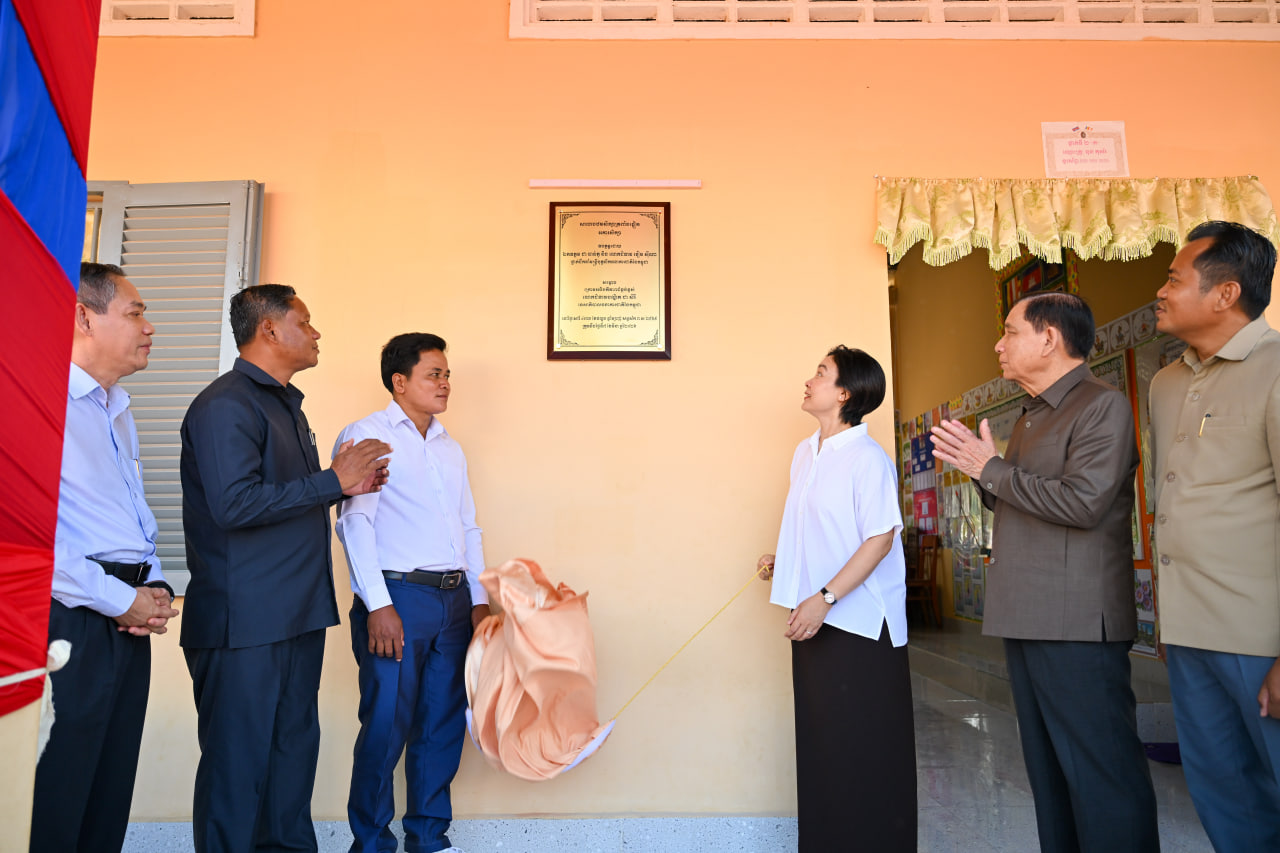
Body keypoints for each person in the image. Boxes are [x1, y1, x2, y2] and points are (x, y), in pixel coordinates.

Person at [930, 292, 1159, 853]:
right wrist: (984, 473)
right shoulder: (1034, 414)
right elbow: (1022, 500)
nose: (998, 345)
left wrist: (991, 468)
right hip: (1028, 612)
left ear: (1050, 338)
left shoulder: (1101, 405)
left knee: (1100, 773)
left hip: (1075, 619)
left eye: (1010, 332)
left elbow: (1083, 503)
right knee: (1050, 774)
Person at [180, 284, 391, 853]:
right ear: (269, 329)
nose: (316, 333)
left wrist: (344, 485)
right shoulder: (226, 405)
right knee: (237, 771)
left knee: (291, 766)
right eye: (305, 321)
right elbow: (233, 505)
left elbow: (283, 499)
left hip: (296, 614)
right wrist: (331, 481)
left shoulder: (285, 405)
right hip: (243, 622)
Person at [30, 263, 180, 853]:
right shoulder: (39, 404)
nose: (149, 327)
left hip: (126, 616)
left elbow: (128, 511)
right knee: (58, 789)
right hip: (70, 617)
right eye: (135, 312)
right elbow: (31, 539)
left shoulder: (115, 406)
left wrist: (155, 585)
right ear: (83, 318)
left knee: (108, 787)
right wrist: (121, 599)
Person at [1149, 220, 1280, 850]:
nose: (1161, 291)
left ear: (1226, 294)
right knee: (1223, 794)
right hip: (1188, 633)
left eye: (1174, 279)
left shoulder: (1276, 369)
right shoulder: (1166, 382)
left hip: (1259, 636)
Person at [334, 333, 490, 853]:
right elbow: (354, 524)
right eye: (433, 374)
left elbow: (468, 526)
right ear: (399, 382)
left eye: (447, 375)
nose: (445, 383)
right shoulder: (368, 436)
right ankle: (372, 843)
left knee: (441, 724)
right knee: (385, 724)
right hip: (398, 598)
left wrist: (479, 600)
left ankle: (429, 838)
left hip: (453, 601)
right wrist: (378, 605)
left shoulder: (449, 447)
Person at [757, 346, 916, 852]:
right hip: (814, 621)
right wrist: (786, 562)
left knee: (863, 752)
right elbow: (821, 532)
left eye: (821, 373)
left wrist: (825, 597)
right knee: (823, 750)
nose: (809, 381)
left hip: (861, 626)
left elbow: (879, 539)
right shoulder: (806, 452)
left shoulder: (867, 459)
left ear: (845, 393)